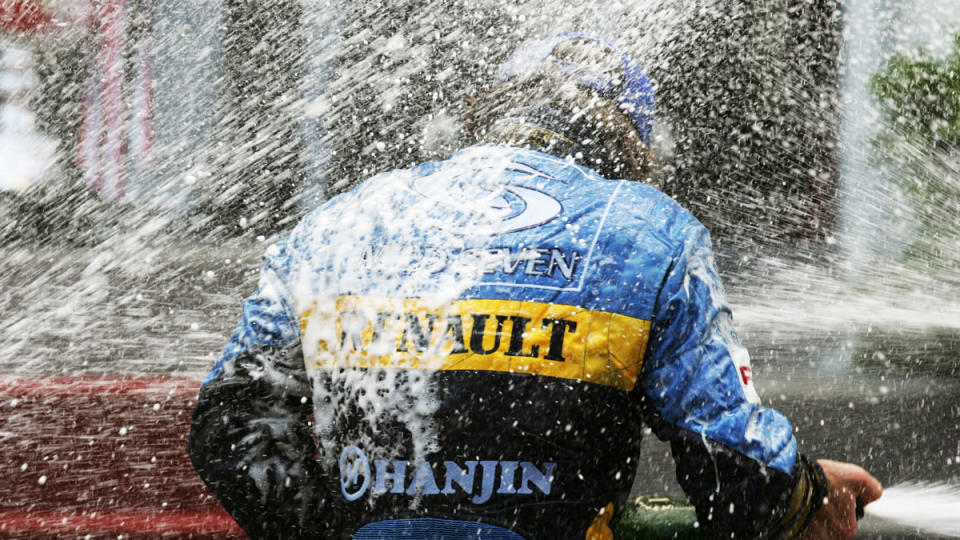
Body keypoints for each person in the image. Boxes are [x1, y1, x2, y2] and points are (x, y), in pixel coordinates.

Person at [189, 32, 882, 539]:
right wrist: (807, 495)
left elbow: (231, 424)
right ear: (629, 148)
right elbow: (736, 471)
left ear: (489, 114)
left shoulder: (340, 223)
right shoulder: (646, 232)